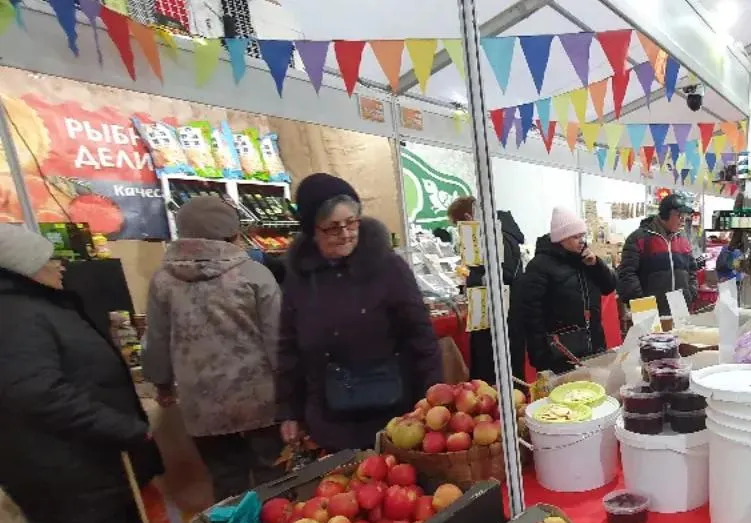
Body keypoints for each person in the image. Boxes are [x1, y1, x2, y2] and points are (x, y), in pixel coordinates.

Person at [0, 224, 168, 523]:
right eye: (47, 259)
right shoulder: (17, 316)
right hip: (57, 459)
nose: (59, 265)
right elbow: (38, 393)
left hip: (81, 451)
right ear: (25, 268)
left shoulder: (35, 306)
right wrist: (118, 425)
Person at [276, 174, 443, 452]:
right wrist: (289, 411)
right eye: (332, 227)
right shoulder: (299, 277)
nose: (345, 233)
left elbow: (421, 337)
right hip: (329, 417)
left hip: (392, 412)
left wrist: (431, 400)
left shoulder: (388, 267)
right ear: (311, 229)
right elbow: (288, 347)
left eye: (351, 222)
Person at [142, 197, 284, 502]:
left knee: (226, 481)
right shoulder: (253, 275)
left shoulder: (163, 281)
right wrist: (290, 391)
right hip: (259, 401)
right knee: (272, 478)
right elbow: (277, 339)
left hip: (201, 406)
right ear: (232, 231)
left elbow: (156, 340)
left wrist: (162, 383)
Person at [515, 207, 617, 374]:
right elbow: (531, 314)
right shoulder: (539, 266)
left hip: (593, 344)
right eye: (575, 236)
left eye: (582, 236)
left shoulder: (586, 260)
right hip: (560, 352)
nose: (581, 241)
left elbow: (609, 287)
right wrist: (540, 355)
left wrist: (597, 265)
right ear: (561, 238)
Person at [447, 196, 526, 383]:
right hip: (497, 314)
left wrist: (478, 278)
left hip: (500, 317)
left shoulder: (495, 236)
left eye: (460, 225)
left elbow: (504, 274)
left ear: (468, 217)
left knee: (500, 375)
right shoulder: (497, 233)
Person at [617, 193, 697, 316]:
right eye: (679, 215)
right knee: (650, 336)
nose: (683, 219)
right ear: (665, 214)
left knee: (682, 335)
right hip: (649, 311)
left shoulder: (683, 240)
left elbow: (692, 270)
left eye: (685, 215)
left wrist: (690, 294)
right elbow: (626, 274)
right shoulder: (639, 238)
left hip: (680, 309)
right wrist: (641, 303)